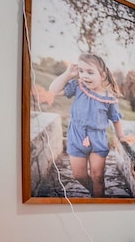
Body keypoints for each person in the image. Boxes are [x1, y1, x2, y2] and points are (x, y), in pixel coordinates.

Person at [49, 53, 130, 197]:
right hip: (76, 136)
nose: (84, 76)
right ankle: (94, 192)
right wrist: (68, 74)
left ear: (102, 75)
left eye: (90, 72)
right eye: (81, 71)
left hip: (97, 139)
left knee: (97, 176)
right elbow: (53, 90)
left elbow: (116, 119)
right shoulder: (78, 87)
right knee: (79, 175)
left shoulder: (109, 99)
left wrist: (121, 136)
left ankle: (99, 199)